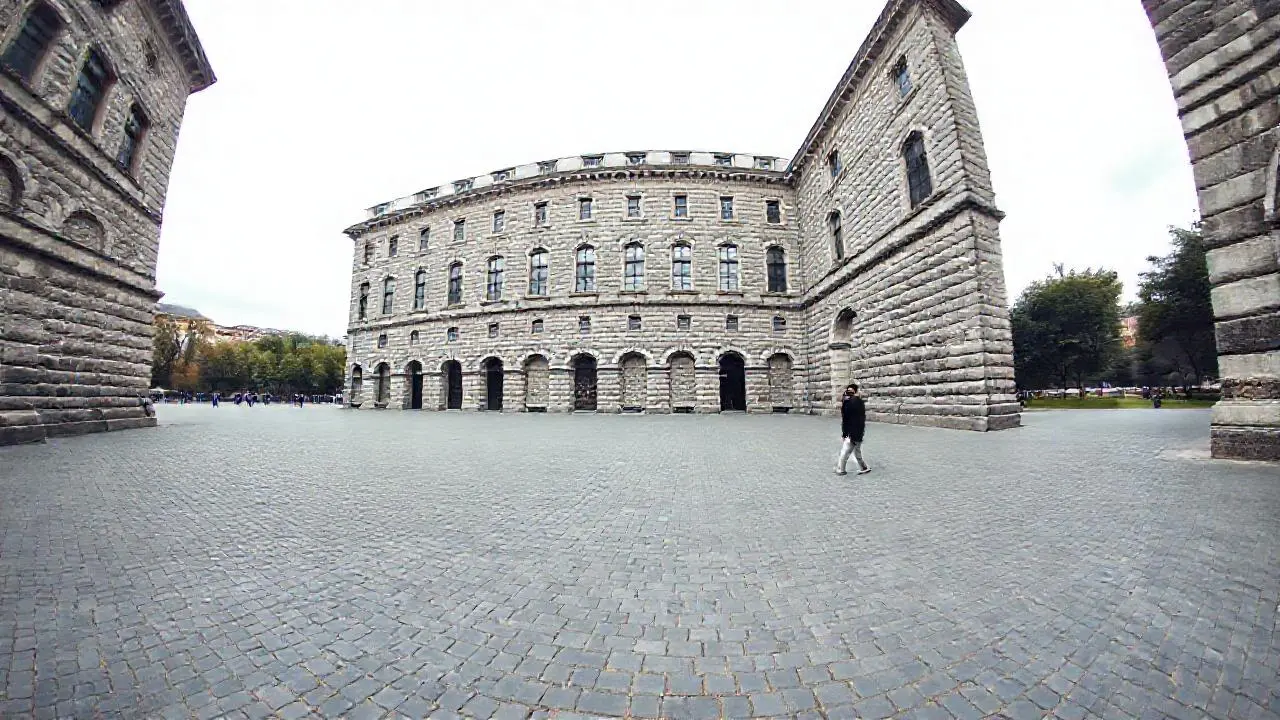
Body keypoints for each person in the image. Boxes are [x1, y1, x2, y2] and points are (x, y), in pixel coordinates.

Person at [834, 383, 871, 476]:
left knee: (848, 450)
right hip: (858, 430)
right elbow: (861, 418)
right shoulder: (858, 402)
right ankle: (862, 467)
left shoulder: (847, 402)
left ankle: (842, 469)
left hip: (852, 431)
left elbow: (846, 420)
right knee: (854, 450)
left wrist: (845, 434)